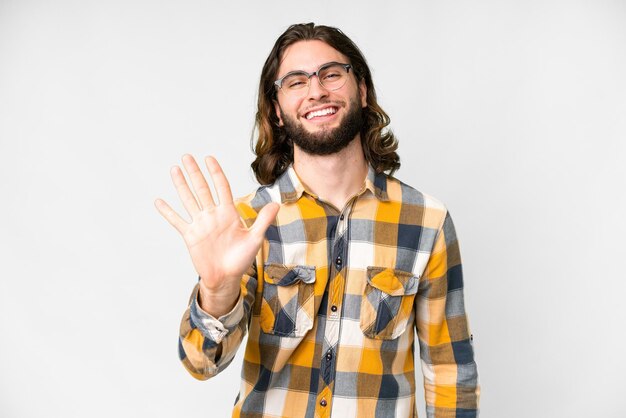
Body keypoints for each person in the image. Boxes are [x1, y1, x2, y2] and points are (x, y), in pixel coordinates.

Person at [155, 22, 480, 418]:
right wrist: (217, 290)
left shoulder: (427, 221)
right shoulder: (248, 223)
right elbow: (200, 363)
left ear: (361, 90)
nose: (316, 90)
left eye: (331, 74)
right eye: (295, 82)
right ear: (276, 110)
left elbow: (451, 371)